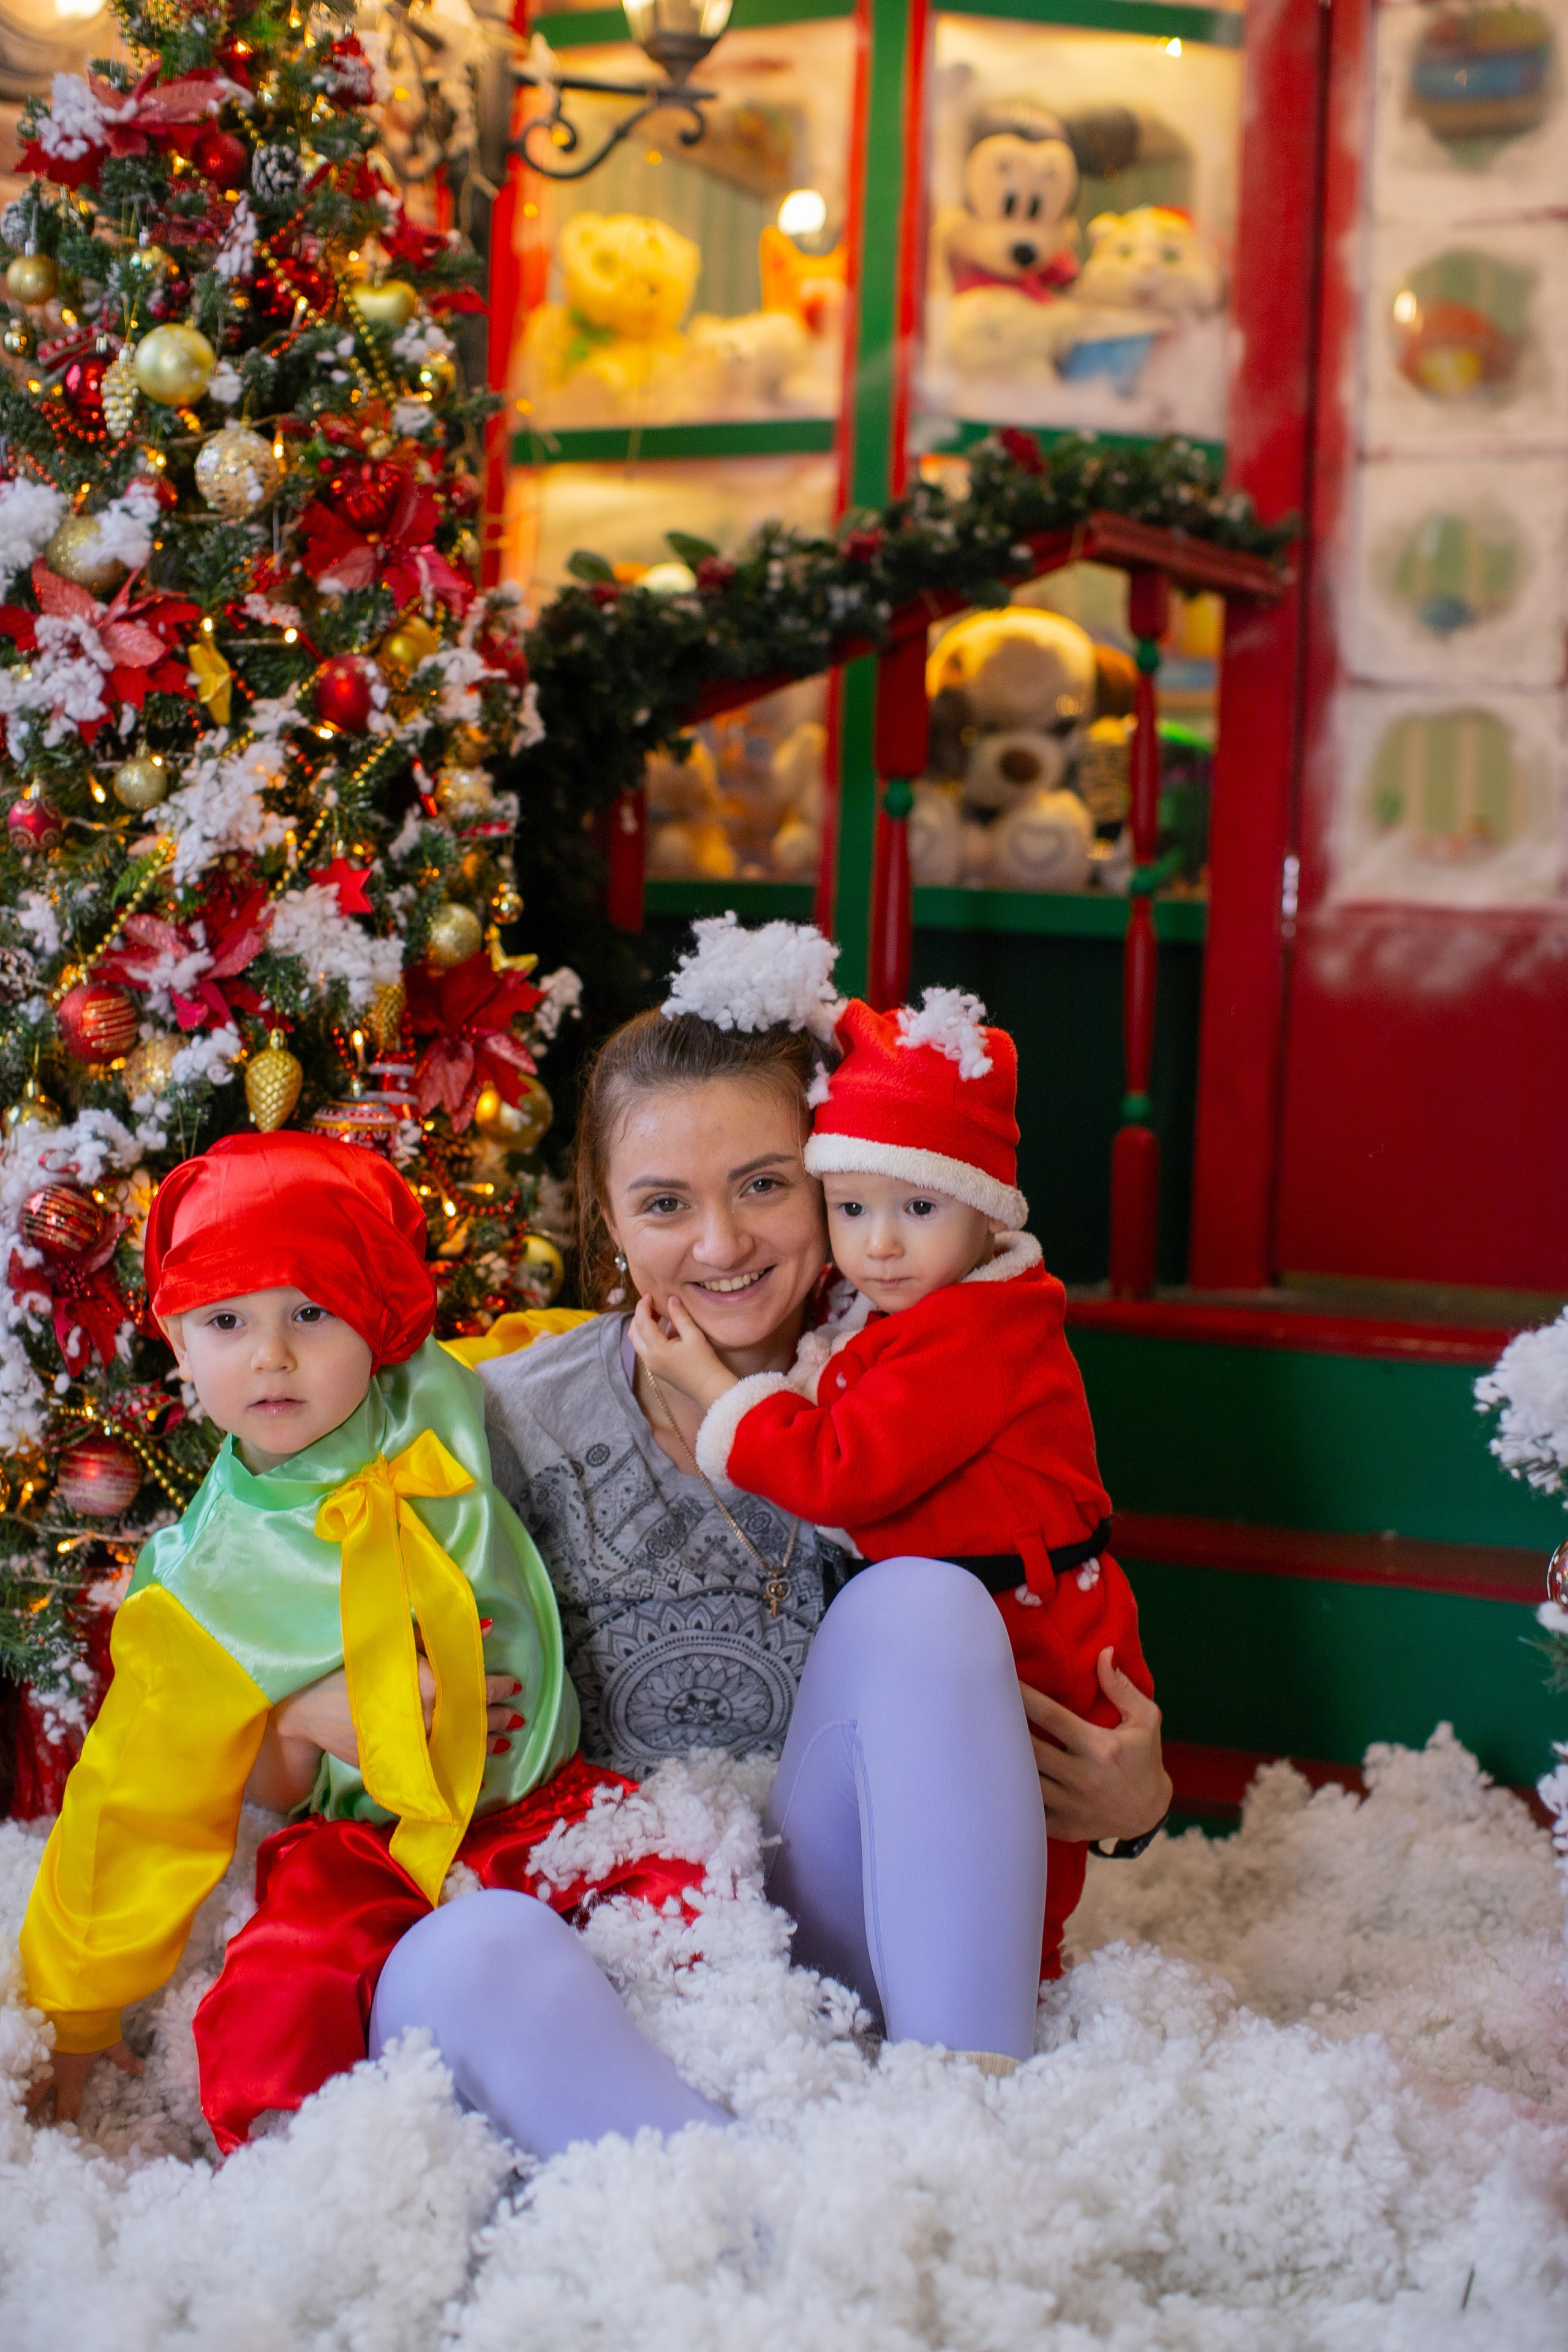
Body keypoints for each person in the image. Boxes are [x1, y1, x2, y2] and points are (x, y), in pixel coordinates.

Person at [372, 918, 1171, 2120]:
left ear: (843, 1176)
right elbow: (319, 1687)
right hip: (607, 1946)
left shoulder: (928, 1386)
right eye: (661, 1204)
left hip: (840, 1942)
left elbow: (1051, 1648)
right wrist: (353, 1704)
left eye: (765, 1186)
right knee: (456, 1957)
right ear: (603, 1216)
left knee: (923, 1603)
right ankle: (746, 2219)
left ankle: (965, 2124)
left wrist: (1138, 1802)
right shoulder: (503, 1420)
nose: (721, 1245)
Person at [20, 1130, 717, 2155]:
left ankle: (674, 2120)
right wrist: (76, 2013)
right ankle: (348, 2177)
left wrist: (681, 1332)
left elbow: (564, 1354)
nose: (272, 1354)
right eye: (227, 1321)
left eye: (311, 1311)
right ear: (176, 1342)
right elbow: (130, 1803)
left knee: (703, 1902)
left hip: (550, 1800)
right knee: (279, 2000)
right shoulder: (201, 1582)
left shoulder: (438, 1397)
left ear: (379, 1321)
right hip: (367, 1848)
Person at [630, 983, 1156, 1976]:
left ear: (991, 1216)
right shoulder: (911, 1303)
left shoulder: (973, 1335)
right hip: (983, 1617)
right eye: (851, 1207)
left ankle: (1008, 1982)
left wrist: (708, 1385)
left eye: (919, 1207)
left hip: (1030, 1626)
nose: (879, 1244)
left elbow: (840, 1469)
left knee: (1015, 1841)